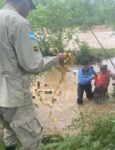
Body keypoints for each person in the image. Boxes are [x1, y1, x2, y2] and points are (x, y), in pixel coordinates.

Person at [0, 0, 66, 150]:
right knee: (33, 138)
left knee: (9, 129)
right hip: (14, 94)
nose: (28, 11)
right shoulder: (19, 23)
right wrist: (57, 59)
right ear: (24, 3)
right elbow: (33, 64)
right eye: (29, 7)